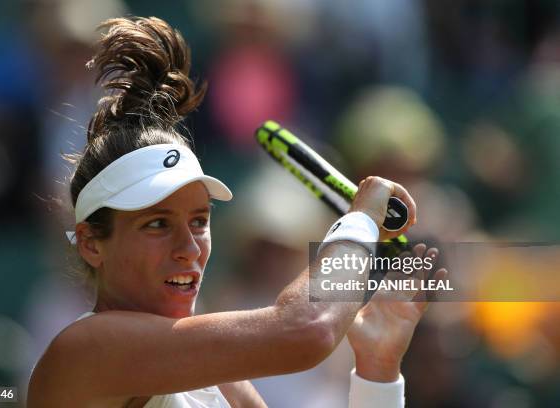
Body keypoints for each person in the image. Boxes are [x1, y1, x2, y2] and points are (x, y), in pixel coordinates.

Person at [27, 16, 444, 408]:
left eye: (199, 221)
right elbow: (307, 330)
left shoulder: (222, 377)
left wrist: (377, 370)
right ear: (91, 243)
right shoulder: (86, 350)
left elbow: (307, 331)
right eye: (156, 223)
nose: (189, 247)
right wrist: (361, 222)